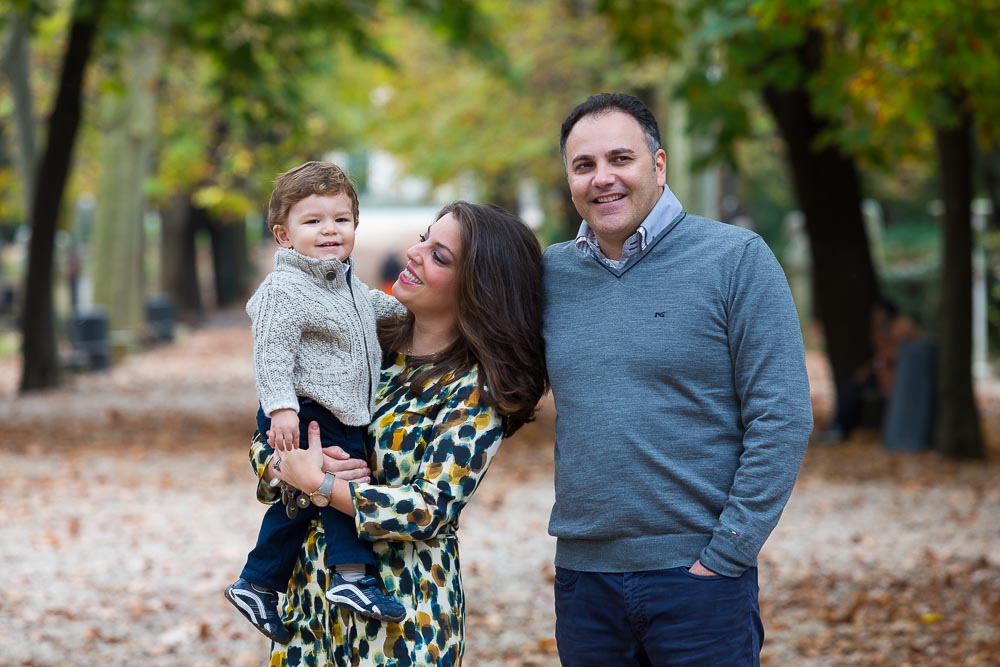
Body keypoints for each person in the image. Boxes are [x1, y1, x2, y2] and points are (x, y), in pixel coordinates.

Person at [543, 92, 814, 665]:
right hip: (584, 582)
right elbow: (473, 360)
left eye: (621, 159)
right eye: (584, 165)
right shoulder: (550, 275)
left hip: (699, 582)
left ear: (658, 165)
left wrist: (728, 553)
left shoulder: (736, 259)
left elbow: (782, 414)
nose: (603, 179)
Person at [250, 201, 548, 665]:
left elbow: (431, 508)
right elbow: (273, 420)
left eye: (439, 255)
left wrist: (322, 485)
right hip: (308, 608)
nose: (414, 252)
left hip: (402, 621)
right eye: (425, 238)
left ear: (479, 288)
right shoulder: (364, 333)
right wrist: (281, 466)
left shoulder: (474, 388)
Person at [225, 161, 407, 644]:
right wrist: (281, 405)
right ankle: (352, 576)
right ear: (284, 235)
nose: (330, 230)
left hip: (338, 407)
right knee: (342, 478)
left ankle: (258, 582)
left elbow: (374, 308)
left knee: (307, 499)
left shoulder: (344, 283)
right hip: (307, 410)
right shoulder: (285, 289)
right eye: (313, 221)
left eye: (341, 220)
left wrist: (414, 312)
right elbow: (271, 348)